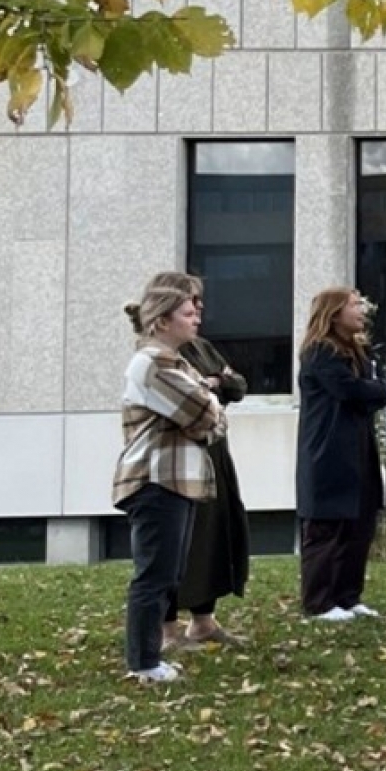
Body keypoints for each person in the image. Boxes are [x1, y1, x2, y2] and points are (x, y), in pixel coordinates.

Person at [112, 279, 224, 683]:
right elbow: (206, 414)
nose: (197, 317)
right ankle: (142, 662)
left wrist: (209, 402)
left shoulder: (175, 361)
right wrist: (209, 399)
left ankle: (148, 659)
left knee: (167, 573)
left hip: (176, 480)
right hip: (156, 479)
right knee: (154, 575)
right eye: (187, 313)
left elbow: (212, 411)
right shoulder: (153, 363)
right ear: (161, 322)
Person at [145, 271, 249, 649]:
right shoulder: (160, 358)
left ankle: (204, 620)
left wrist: (217, 383)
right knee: (184, 539)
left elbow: (236, 385)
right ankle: (167, 628)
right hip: (183, 456)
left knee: (217, 531)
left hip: (213, 452)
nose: (198, 311)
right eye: (189, 304)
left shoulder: (200, 347)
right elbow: (199, 408)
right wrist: (213, 387)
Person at [295, 288, 386, 622]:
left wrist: (374, 390)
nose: (361, 310)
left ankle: (348, 596)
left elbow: (375, 392)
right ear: (333, 312)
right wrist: (373, 390)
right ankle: (318, 601)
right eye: (353, 305)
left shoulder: (358, 352)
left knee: (358, 524)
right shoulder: (321, 351)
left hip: (358, 449)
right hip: (328, 452)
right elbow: (350, 390)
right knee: (327, 527)